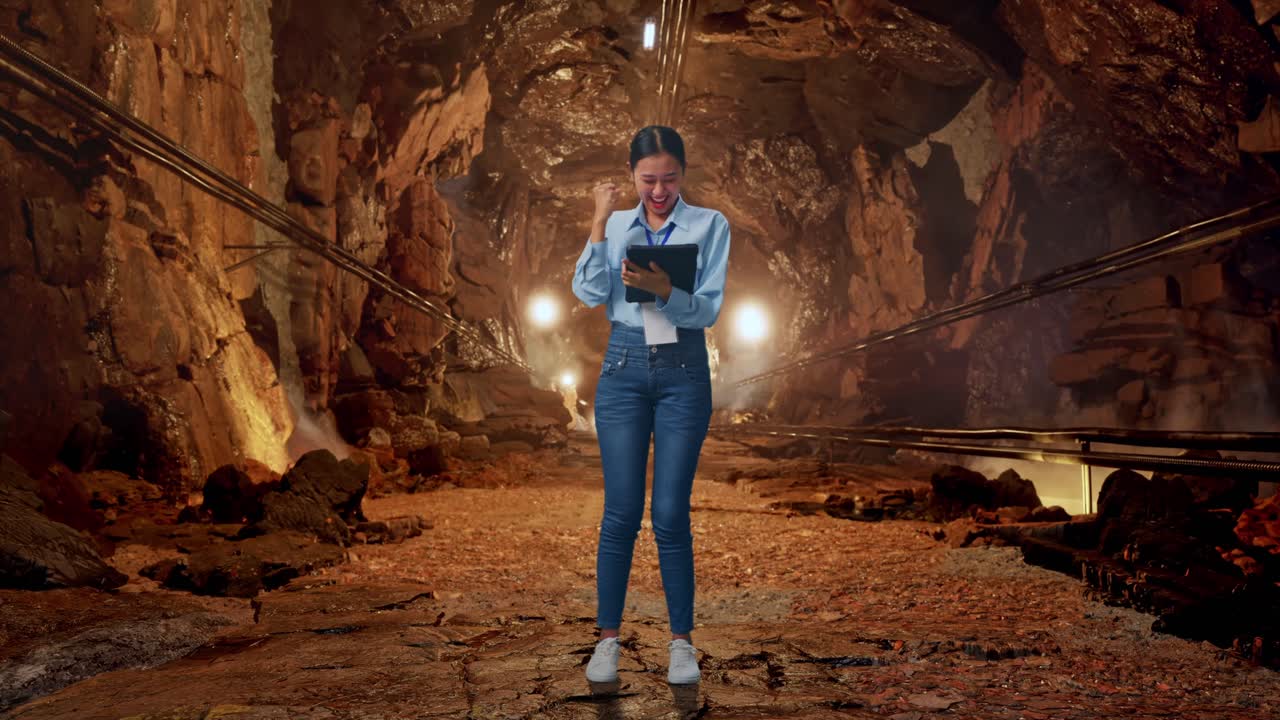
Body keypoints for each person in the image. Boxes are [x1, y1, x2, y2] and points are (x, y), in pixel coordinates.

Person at [571, 125, 731, 685]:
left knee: (668, 513)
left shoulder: (710, 225)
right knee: (620, 514)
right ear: (631, 177)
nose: (658, 191)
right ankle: (608, 640)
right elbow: (590, 294)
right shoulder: (616, 224)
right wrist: (597, 221)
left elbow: (708, 308)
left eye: (667, 179)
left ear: (682, 175)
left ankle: (681, 644)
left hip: (684, 371)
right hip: (622, 368)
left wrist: (665, 289)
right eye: (647, 180)